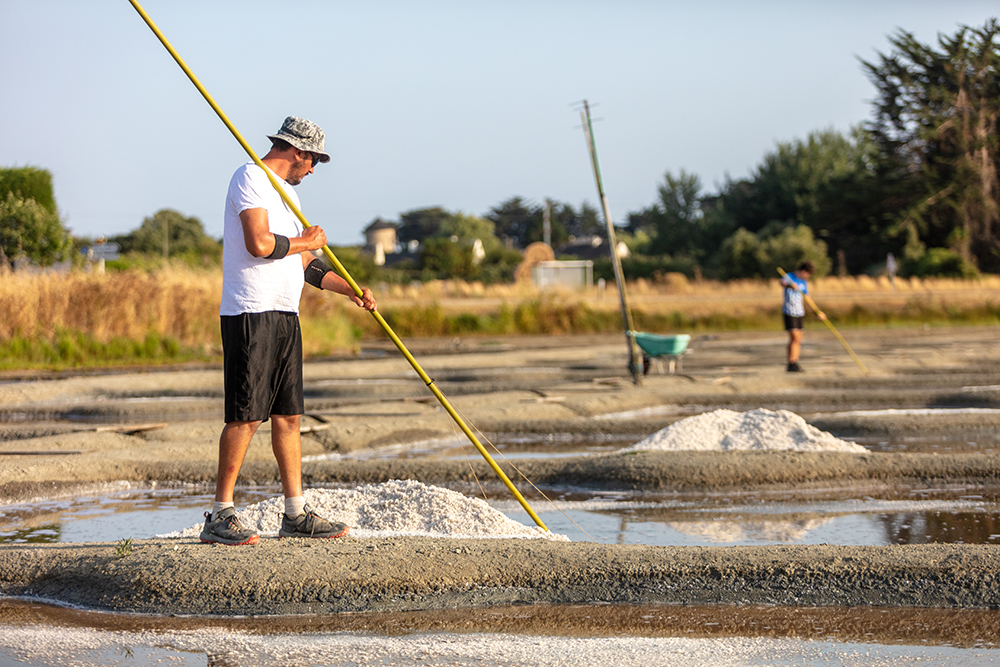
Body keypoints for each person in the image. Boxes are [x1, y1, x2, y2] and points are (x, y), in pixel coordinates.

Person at [200, 116, 377, 545]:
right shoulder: (251, 178)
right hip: (249, 313)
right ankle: (220, 515)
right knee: (246, 416)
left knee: (289, 415)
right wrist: (307, 240)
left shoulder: (288, 195)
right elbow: (259, 244)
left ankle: (295, 514)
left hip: (284, 313)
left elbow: (306, 265)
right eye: (313, 159)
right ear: (297, 151)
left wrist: (349, 289)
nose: (313, 169)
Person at [780, 260, 825, 372]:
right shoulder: (790, 276)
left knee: (798, 339)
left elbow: (807, 297)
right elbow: (782, 282)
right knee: (794, 337)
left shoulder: (804, 283)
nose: (808, 277)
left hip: (800, 312)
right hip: (789, 312)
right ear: (804, 271)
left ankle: (794, 362)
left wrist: (817, 311)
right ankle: (791, 362)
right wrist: (790, 285)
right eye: (808, 274)